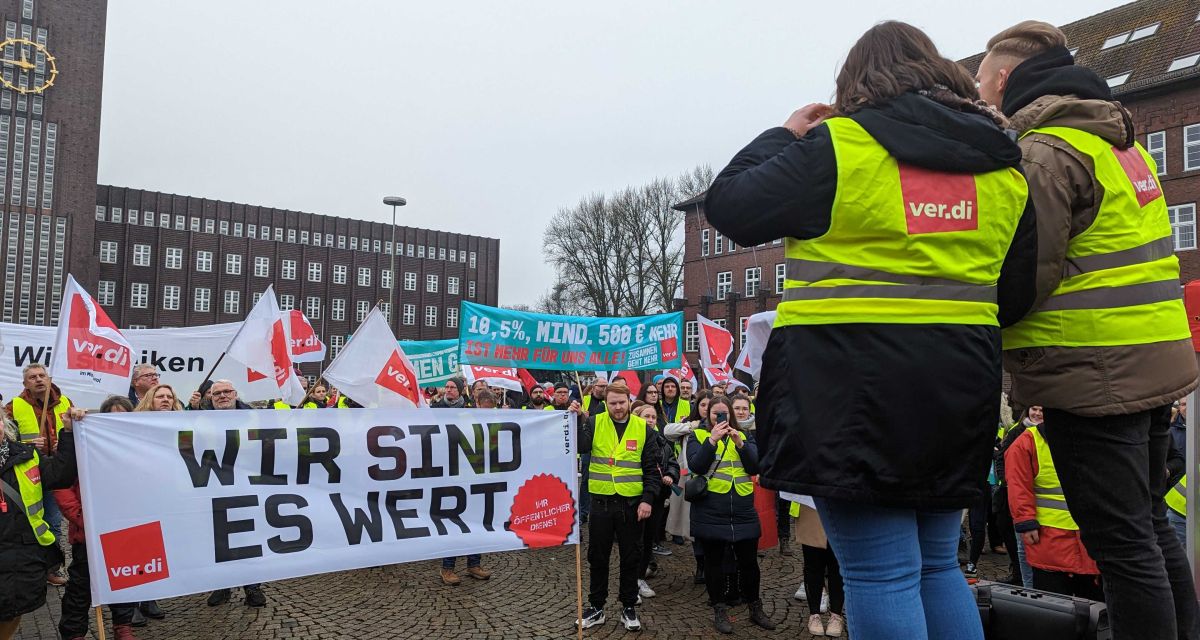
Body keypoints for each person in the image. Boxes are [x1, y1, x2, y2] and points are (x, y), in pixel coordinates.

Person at [706, 20, 1037, 640]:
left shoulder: (839, 148)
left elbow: (728, 205)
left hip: (849, 392)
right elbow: (1016, 297)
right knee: (938, 565)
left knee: (881, 575)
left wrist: (784, 134)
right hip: (959, 390)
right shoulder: (1004, 168)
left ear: (856, 84)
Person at [978, 20, 1199, 640]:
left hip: (1094, 371)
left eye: (980, 86)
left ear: (1002, 81)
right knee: (1149, 530)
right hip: (1150, 363)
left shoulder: (1045, 152)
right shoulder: (1118, 146)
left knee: (1122, 546)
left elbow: (1025, 277)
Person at [55, 396, 140, 640]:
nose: (117, 418)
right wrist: (81, 516)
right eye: (111, 414)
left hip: (124, 528)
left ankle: (123, 625)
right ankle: (74, 632)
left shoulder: (138, 446)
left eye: (122, 414)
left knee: (124, 580)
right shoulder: (84, 442)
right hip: (88, 530)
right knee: (80, 585)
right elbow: (61, 483)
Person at [575, 381, 657, 632]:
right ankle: (597, 607)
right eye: (613, 403)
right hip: (601, 503)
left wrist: (647, 500)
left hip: (631, 505)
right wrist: (577, 420)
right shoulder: (594, 422)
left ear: (630, 401)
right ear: (606, 403)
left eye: (622, 402)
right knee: (597, 557)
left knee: (631, 558)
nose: (618, 407)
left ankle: (628, 606)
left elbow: (652, 469)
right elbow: (580, 447)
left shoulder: (644, 429)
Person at [687, 396, 774, 633]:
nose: (720, 417)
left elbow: (755, 466)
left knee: (749, 563)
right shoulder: (698, 436)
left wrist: (741, 444)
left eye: (724, 413)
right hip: (712, 508)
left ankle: (755, 607)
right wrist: (712, 440)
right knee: (713, 563)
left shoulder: (745, 436)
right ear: (708, 416)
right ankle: (719, 609)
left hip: (743, 509)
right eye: (716, 414)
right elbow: (696, 466)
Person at [0, 402, 78, 640]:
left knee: (13, 609)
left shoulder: (27, 455)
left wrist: (68, 433)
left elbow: (60, 475)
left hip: (22, 551)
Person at [1005, 414, 1102, 600]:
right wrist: (1025, 521)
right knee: (1056, 611)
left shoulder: (1096, 436)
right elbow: (1018, 485)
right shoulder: (1028, 441)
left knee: (1093, 612)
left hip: (1088, 543)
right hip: (1051, 542)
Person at [199, 380, 268, 607]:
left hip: (248, 485)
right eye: (216, 393)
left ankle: (253, 588)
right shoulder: (200, 420)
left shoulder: (254, 417)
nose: (222, 396)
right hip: (215, 487)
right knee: (219, 539)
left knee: (249, 537)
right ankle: (222, 585)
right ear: (210, 397)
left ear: (236, 394)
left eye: (226, 391)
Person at [5, 363, 73, 586]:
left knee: (53, 522)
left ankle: (51, 568)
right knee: (29, 521)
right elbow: (5, 438)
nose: (38, 380)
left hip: (54, 470)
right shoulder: (14, 406)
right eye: (32, 377)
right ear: (25, 384)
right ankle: (32, 566)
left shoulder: (66, 402)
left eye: (42, 375)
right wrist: (26, 443)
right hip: (27, 472)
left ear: (49, 378)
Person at [130, 384, 183, 620]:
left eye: (169, 397)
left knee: (160, 546)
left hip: (170, 492)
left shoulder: (182, 424)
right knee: (139, 546)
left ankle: (149, 598)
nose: (165, 400)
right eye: (160, 396)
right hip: (141, 493)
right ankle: (130, 603)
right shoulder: (135, 425)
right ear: (150, 400)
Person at [440, 389, 497, 585]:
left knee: (478, 525)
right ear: (477, 404)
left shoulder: (497, 420)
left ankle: (474, 564)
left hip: (482, 481)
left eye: (492, 409)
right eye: (486, 409)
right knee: (456, 526)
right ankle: (447, 568)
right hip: (459, 481)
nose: (488, 412)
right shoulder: (462, 418)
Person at [631, 401, 679, 600]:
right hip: (634, 497)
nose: (650, 420)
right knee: (635, 541)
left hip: (657, 497)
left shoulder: (662, 441)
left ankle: (640, 577)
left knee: (649, 538)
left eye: (653, 417)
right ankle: (631, 580)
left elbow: (672, 462)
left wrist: (670, 474)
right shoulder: (630, 439)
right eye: (646, 417)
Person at [734, 394, 791, 557]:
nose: (740, 412)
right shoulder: (727, 427)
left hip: (770, 471)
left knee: (782, 505)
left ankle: (784, 538)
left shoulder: (760, 424)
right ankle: (754, 540)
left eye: (744, 408)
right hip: (746, 474)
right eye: (737, 408)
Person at [664, 391, 712, 572]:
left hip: (714, 481)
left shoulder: (720, 425)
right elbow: (667, 431)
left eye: (709, 405)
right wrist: (692, 425)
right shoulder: (689, 425)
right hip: (691, 482)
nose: (706, 409)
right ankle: (700, 565)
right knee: (693, 525)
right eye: (702, 405)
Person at [792, 500, 846, 637]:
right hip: (809, 503)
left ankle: (836, 615)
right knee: (813, 564)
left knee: (837, 565)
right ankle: (814, 614)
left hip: (839, 504)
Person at [1167, 398, 1188, 548]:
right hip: (1178, 505)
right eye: (1183, 404)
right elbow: (1176, 461)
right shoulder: (1171, 431)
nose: (1186, 408)